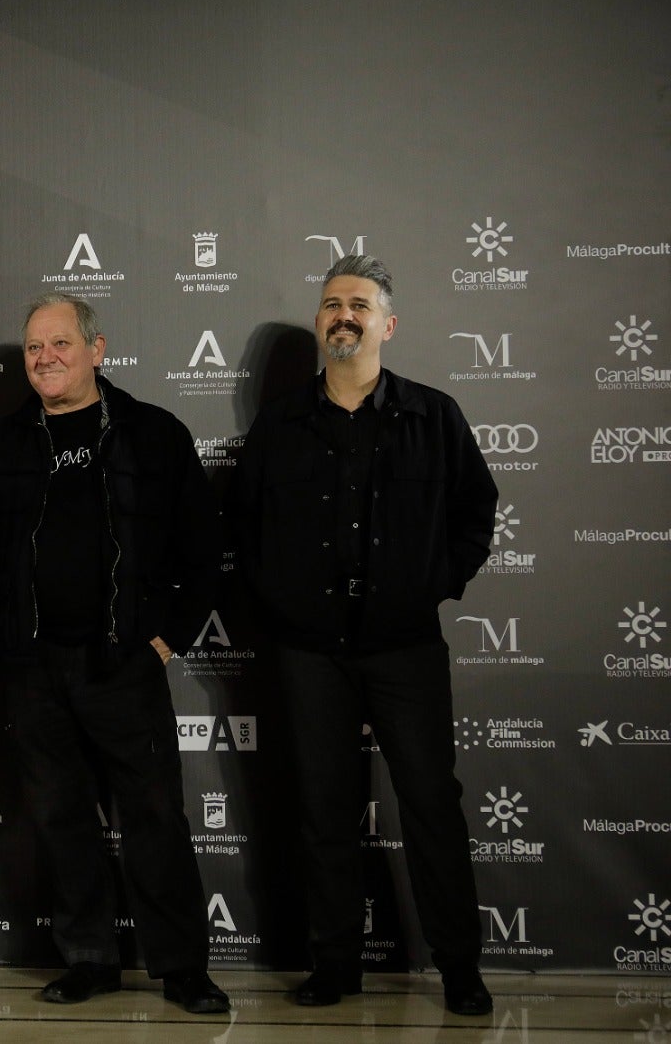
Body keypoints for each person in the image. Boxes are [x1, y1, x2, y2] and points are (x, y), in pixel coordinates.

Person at [0, 291, 231, 1016]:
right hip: (34, 670)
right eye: (34, 348)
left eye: (60, 344)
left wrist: (166, 639)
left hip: (125, 664)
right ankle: (89, 959)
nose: (45, 358)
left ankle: (181, 967)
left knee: (155, 819)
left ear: (97, 350)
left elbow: (203, 553)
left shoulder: (154, 434)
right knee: (61, 818)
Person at [229, 255, 496, 1016]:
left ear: (388, 323)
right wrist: (283, 603)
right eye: (331, 304)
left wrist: (435, 583)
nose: (343, 314)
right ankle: (334, 964)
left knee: (431, 805)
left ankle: (459, 968)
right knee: (323, 809)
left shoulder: (433, 415)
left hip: (405, 645)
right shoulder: (280, 425)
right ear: (320, 322)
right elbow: (245, 528)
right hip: (310, 652)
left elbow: (477, 512)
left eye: (359, 304)